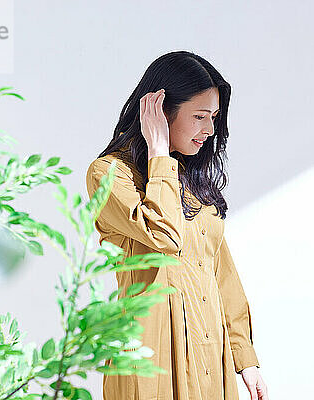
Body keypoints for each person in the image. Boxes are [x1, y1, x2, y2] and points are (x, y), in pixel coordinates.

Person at [85, 50, 269, 400]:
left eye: (213, 117)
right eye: (199, 116)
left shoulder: (193, 178)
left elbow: (220, 273)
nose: (210, 130)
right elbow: (163, 235)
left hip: (212, 358)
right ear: (159, 110)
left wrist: (246, 359)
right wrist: (158, 151)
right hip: (155, 363)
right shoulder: (109, 175)